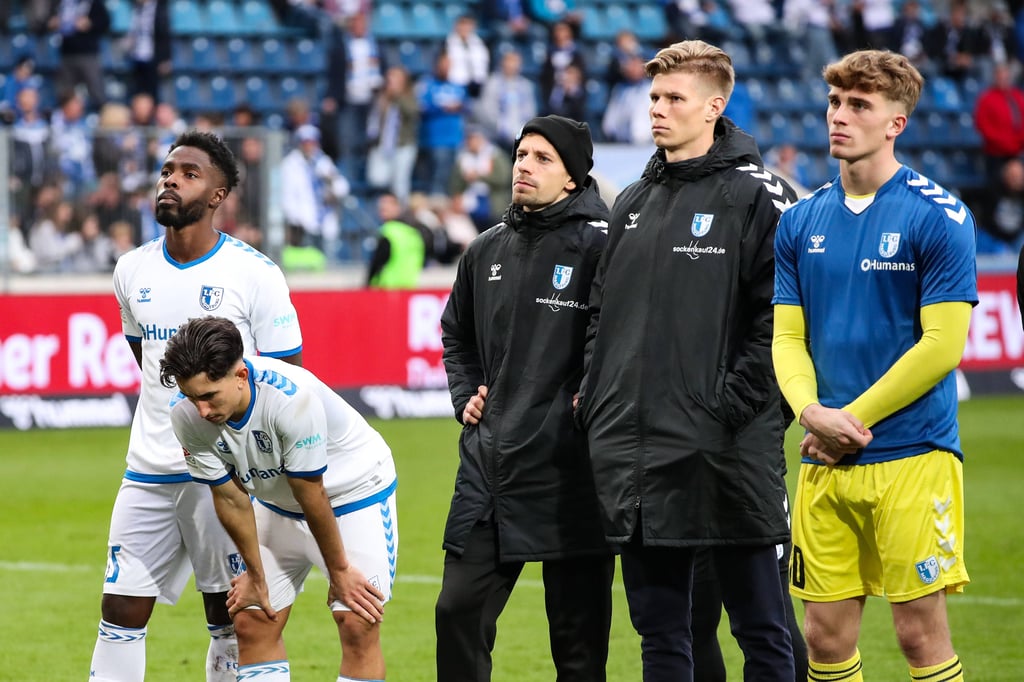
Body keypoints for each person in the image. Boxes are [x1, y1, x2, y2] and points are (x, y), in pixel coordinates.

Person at [576, 40, 798, 680]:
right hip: (639, 456)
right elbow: (600, 315)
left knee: (762, 629)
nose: (658, 110)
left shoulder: (762, 196)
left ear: (714, 106)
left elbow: (780, 319)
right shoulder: (634, 201)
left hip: (728, 452)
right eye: (654, 98)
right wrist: (599, 399)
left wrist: (727, 407)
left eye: (675, 98)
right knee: (662, 636)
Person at [772, 49, 976, 682]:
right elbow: (786, 337)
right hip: (822, 456)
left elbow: (943, 346)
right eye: (835, 102)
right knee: (822, 637)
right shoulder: (801, 221)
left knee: (920, 635)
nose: (840, 115)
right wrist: (811, 413)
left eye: (859, 105)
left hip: (912, 454)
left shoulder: (938, 216)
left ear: (896, 123)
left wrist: (846, 420)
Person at [90, 130, 304, 682]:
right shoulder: (131, 270)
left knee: (228, 615)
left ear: (218, 194)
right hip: (149, 468)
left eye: (188, 174)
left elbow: (287, 377)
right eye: (166, 172)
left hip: (226, 476)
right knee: (120, 608)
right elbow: (152, 363)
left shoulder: (255, 273)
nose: (170, 181)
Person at [436, 114, 614, 680]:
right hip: (490, 465)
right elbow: (456, 335)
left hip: (575, 471)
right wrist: (465, 392)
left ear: (572, 178)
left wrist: (591, 397)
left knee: (578, 644)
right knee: (456, 610)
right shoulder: (485, 249)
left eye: (543, 159)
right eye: (521, 156)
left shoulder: (604, 246)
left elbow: (621, 340)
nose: (524, 167)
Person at [160, 316, 398, 682]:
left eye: (209, 396)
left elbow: (311, 491)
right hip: (276, 502)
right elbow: (229, 497)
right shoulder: (186, 415)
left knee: (356, 621)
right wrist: (255, 576)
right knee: (253, 620)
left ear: (240, 376)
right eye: (192, 397)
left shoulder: (290, 399)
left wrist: (339, 572)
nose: (202, 411)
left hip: (354, 494)